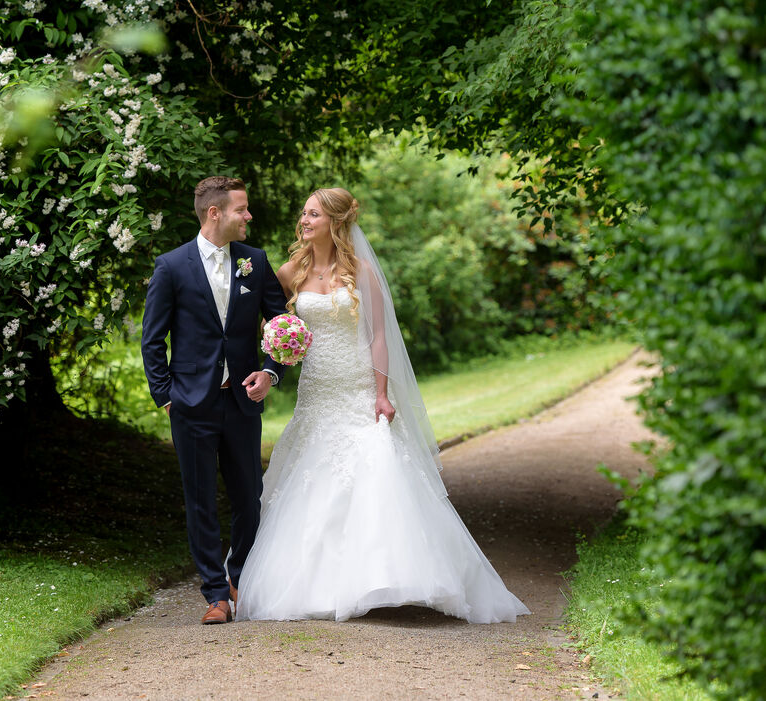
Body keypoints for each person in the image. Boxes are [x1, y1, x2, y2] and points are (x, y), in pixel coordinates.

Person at [236, 188, 530, 623]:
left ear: (335, 222)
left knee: (375, 471)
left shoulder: (361, 272)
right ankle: (321, 586)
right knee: (311, 475)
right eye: (303, 213)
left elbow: (377, 336)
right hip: (316, 390)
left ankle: (388, 576)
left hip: (357, 386)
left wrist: (381, 393)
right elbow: (267, 318)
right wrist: (274, 346)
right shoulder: (289, 271)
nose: (304, 220)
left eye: (313, 214)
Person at [141, 176, 290, 624]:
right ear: (215, 213)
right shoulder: (171, 266)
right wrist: (167, 397)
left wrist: (270, 371)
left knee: (250, 497)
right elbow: (153, 341)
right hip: (192, 404)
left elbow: (281, 324)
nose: (249, 217)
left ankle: (237, 574)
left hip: (242, 402)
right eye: (242, 210)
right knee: (201, 498)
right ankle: (214, 595)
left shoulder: (255, 261)